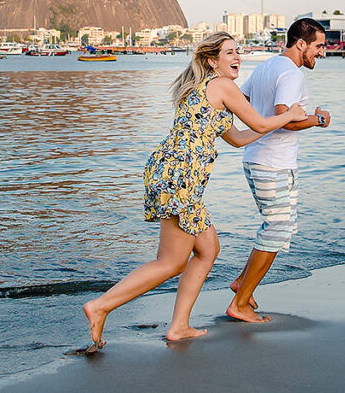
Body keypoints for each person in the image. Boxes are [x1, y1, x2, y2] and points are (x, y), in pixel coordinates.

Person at [82, 32, 306, 347]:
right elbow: (259, 123)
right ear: (212, 60)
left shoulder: (206, 91)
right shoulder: (223, 86)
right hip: (180, 177)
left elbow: (240, 137)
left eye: (238, 51)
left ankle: (179, 326)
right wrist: (291, 116)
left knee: (207, 249)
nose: (237, 57)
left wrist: (275, 124)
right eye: (229, 52)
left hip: (171, 172)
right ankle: (100, 306)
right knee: (171, 262)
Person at [227, 17, 330, 323]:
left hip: (255, 157)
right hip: (273, 163)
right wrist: (318, 119)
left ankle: (241, 284)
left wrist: (250, 126)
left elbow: (242, 99)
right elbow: (284, 116)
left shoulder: (266, 67)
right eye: (318, 46)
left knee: (273, 226)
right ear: (301, 44)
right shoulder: (291, 74)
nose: (322, 53)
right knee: (277, 229)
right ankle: (239, 303)